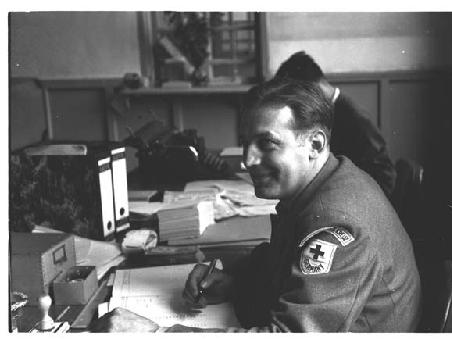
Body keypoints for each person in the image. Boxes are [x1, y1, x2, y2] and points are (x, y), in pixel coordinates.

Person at [91, 78, 421, 332]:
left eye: (266, 144)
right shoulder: (322, 185)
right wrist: (237, 282)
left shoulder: (336, 222)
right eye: (247, 143)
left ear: (315, 144)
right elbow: (286, 261)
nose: (248, 160)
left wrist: (158, 332)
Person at [274, 51, 396, 198]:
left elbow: (384, 179)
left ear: (314, 87)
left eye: (300, 97)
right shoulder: (326, 110)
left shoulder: (355, 118)